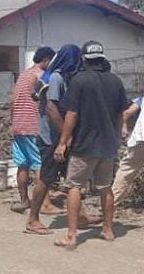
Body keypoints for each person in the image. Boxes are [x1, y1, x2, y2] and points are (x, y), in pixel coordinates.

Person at [54, 40, 127, 247]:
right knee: (105, 187)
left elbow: (72, 113)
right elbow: (121, 113)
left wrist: (63, 142)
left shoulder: (79, 80)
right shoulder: (115, 81)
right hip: (108, 145)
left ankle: (71, 235)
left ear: (84, 59)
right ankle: (108, 230)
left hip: (85, 144)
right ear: (102, 58)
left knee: (74, 186)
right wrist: (119, 134)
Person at [24, 44, 100, 235]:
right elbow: (51, 109)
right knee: (47, 178)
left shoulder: (65, 78)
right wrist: (65, 138)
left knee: (74, 179)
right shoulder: (56, 78)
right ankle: (32, 219)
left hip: (62, 137)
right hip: (51, 138)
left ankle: (80, 216)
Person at [10, 46, 58, 214]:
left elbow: (13, 100)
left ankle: (24, 201)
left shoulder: (23, 75)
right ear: (46, 60)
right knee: (40, 165)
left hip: (18, 126)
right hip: (33, 126)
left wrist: (13, 123)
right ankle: (45, 203)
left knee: (22, 165)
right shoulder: (42, 76)